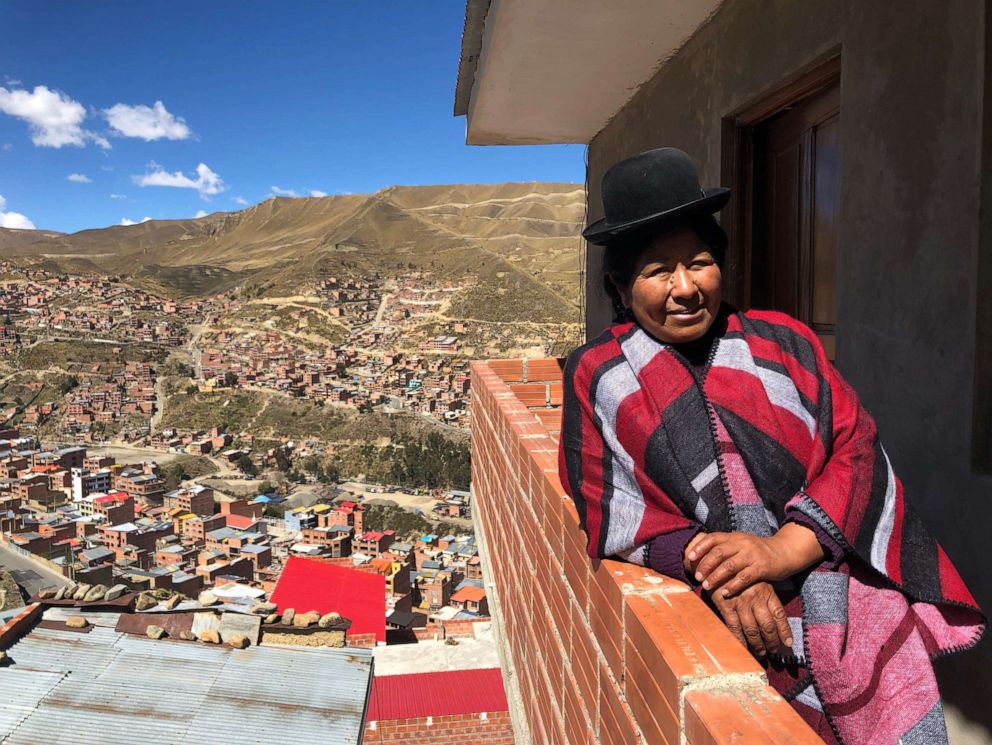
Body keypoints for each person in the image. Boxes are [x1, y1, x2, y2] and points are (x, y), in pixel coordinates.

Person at [559, 147, 985, 745]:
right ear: (620, 286)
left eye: (700, 263)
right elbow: (606, 504)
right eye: (658, 271)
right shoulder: (598, 373)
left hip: (831, 588)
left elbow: (857, 448)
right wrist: (727, 569)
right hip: (716, 634)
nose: (684, 288)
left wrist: (784, 550)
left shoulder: (785, 343)